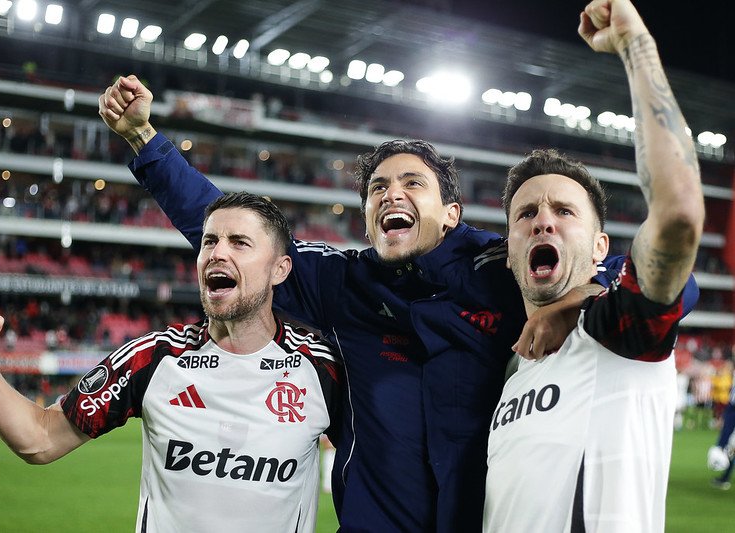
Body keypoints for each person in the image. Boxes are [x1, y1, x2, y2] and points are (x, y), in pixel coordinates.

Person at [97, 52, 694, 533]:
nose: (391, 194)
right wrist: (145, 141)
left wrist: (573, 299)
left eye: (413, 182)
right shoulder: (341, 280)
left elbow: (666, 279)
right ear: (365, 219)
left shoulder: (501, 264)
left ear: (452, 213)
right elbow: (232, 229)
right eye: (377, 188)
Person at [0, 192, 341, 533]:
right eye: (209, 241)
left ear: (280, 269)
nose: (218, 252)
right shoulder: (154, 357)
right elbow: (40, 439)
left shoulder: (323, 370)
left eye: (240, 243)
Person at [484, 1, 704, 530]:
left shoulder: (619, 332)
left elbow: (678, 215)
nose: (543, 222)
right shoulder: (511, 373)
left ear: (602, 247)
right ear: (509, 246)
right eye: (526, 214)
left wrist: (636, 47)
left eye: (565, 211)